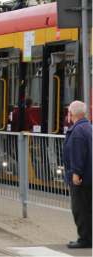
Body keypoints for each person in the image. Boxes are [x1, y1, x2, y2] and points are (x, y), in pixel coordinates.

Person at [63, 100, 92, 249]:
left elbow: (77, 155)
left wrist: (76, 174)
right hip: (89, 176)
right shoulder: (89, 127)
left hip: (81, 178)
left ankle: (85, 239)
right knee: (88, 208)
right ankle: (88, 237)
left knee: (79, 208)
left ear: (71, 114)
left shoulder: (77, 131)